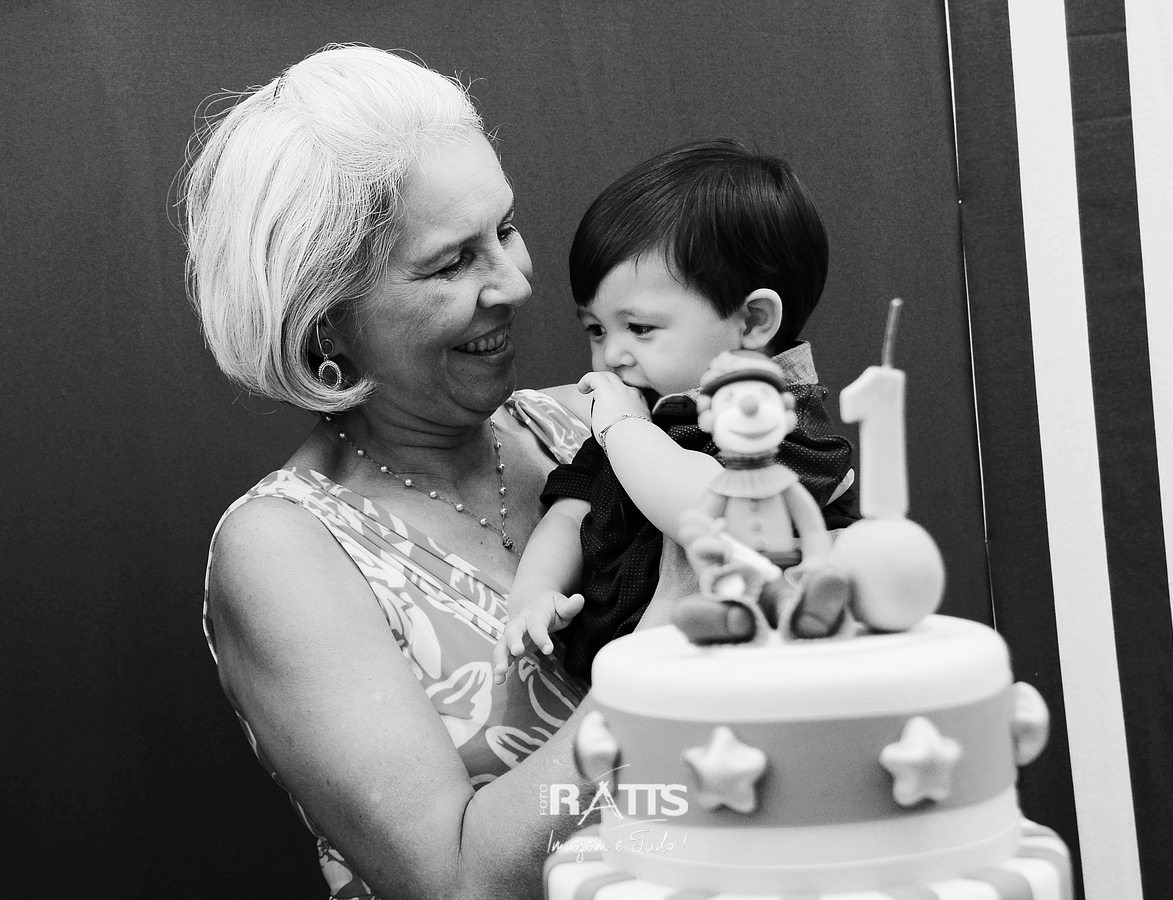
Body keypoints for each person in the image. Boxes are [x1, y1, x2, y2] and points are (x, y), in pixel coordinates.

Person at [181, 44, 603, 900]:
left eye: (505, 230)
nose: (515, 283)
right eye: (451, 262)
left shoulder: (594, 428)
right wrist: (661, 658)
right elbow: (454, 881)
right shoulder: (286, 550)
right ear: (324, 318)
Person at [494, 140, 859, 682]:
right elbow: (569, 514)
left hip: (751, 684)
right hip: (628, 688)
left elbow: (707, 513)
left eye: (639, 328)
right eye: (596, 329)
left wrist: (625, 428)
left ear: (753, 321)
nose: (612, 355)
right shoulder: (639, 417)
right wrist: (536, 591)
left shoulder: (779, 425)